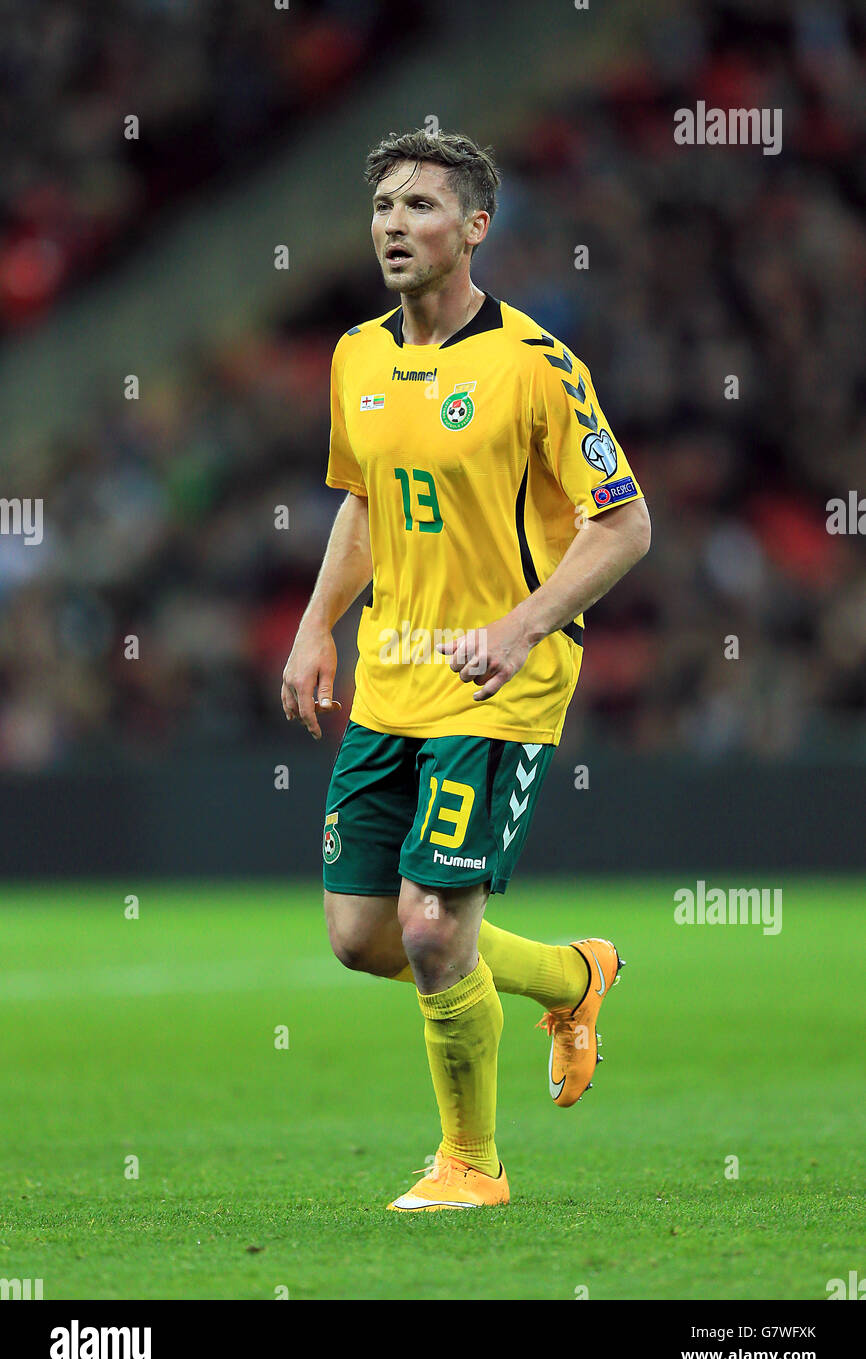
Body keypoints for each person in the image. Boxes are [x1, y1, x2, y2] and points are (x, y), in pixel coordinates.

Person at [281, 129, 650, 1212]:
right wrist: (313, 627)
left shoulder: (533, 366)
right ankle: (576, 976)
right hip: (391, 674)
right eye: (383, 206)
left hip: (500, 685)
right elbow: (363, 503)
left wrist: (523, 624)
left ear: (475, 228)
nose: (394, 225)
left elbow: (621, 524)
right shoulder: (355, 356)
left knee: (437, 928)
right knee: (362, 938)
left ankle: (471, 1166)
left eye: (421, 207)